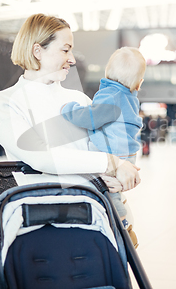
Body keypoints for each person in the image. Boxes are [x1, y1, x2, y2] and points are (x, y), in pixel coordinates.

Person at [0, 13, 140, 232]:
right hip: (45, 223)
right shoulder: (2, 102)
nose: (72, 59)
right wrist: (112, 163)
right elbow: (42, 157)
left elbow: (103, 152)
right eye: (65, 50)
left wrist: (118, 175)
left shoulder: (79, 101)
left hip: (98, 216)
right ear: (38, 51)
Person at [60, 46, 146, 230]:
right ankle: (119, 217)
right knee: (114, 190)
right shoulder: (130, 97)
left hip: (112, 152)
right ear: (139, 84)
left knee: (110, 194)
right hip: (128, 153)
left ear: (107, 73)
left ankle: (119, 220)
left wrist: (69, 109)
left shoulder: (110, 95)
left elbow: (90, 118)